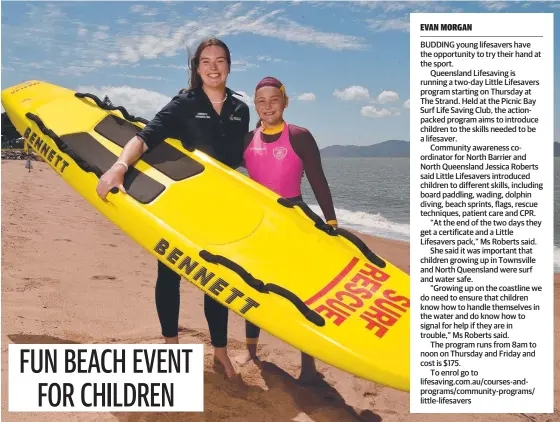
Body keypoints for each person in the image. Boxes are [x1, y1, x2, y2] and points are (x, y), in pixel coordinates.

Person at [95, 37, 249, 379]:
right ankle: (171, 347)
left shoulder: (241, 110)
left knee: (217, 280)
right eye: (205, 61)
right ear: (196, 67)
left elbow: (239, 161)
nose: (213, 67)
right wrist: (120, 166)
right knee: (169, 274)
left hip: (220, 206)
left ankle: (220, 352)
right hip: (181, 203)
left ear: (228, 65)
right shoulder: (184, 102)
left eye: (219, 60)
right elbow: (145, 137)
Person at [237, 76, 338, 384]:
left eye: (274, 100)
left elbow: (318, 179)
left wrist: (331, 221)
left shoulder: (299, 136)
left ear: (284, 102)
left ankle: (308, 362)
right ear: (256, 105)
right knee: (254, 286)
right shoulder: (246, 139)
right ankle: (251, 352)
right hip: (261, 223)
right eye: (261, 101)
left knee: (302, 292)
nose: (268, 106)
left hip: (295, 220)